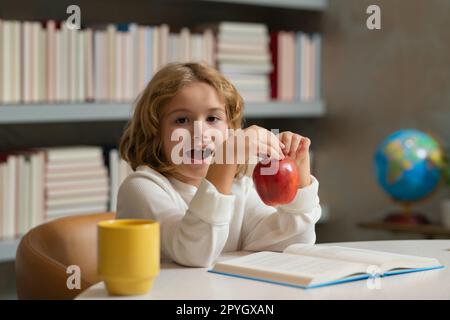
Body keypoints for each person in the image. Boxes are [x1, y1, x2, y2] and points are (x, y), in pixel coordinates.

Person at [117, 62, 321, 267]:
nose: (200, 133)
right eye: (181, 120)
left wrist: (300, 185)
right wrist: (226, 159)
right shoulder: (140, 187)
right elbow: (194, 253)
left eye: (213, 118)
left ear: (231, 130)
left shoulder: (241, 188)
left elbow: (293, 245)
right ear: (155, 133)